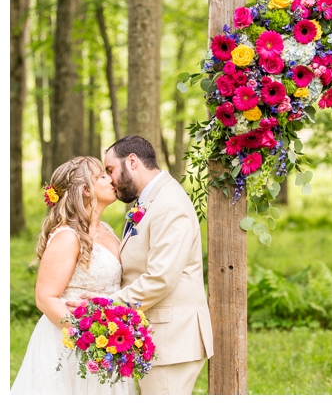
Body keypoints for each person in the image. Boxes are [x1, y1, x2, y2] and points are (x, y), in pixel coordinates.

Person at [71, 136, 214, 395]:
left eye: (111, 169)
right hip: (156, 336)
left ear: (132, 162)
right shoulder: (151, 200)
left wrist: (106, 306)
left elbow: (160, 278)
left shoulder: (169, 204)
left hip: (172, 338)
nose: (110, 178)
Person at [11, 156, 134, 394]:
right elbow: (45, 298)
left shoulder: (107, 229)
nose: (111, 178)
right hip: (71, 344)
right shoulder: (68, 236)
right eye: (102, 176)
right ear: (86, 190)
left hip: (108, 343)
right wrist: (87, 336)